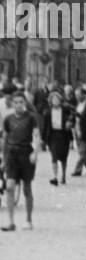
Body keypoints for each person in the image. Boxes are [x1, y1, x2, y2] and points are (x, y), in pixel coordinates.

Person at [1, 90, 39, 231]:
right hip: (12, 154)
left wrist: (35, 153)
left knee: (27, 188)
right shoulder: (8, 119)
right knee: (10, 187)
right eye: (16, 102)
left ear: (25, 103)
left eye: (21, 102)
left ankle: (28, 220)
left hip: (26, 154)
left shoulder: (31, 118)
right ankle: (11, 222)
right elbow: (4, 139)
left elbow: (36, 136)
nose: (18, 105)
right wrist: (4, 158)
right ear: (12, 103)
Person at [41, 87, 74, 186]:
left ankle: (63, 175)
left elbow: (74, 116)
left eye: (57, 99)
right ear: (51, 101)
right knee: (54, 156)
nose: (55, 101)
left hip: (64, 135)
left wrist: (70, 123)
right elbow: (45, 126)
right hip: (53, 136)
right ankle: (55, 177)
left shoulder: (66, 109)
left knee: (63, 157)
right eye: (53, 99)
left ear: (60, 100)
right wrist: (43, 139)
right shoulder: (47, 112)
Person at [72, 85, 86, 176]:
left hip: (85, 130)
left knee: (82, 151)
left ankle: (78, 169)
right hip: (77, 129)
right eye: (76, 95)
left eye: (78, 95)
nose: (77, 97)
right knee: (85, 152)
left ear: (84, 94)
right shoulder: (78, 104)